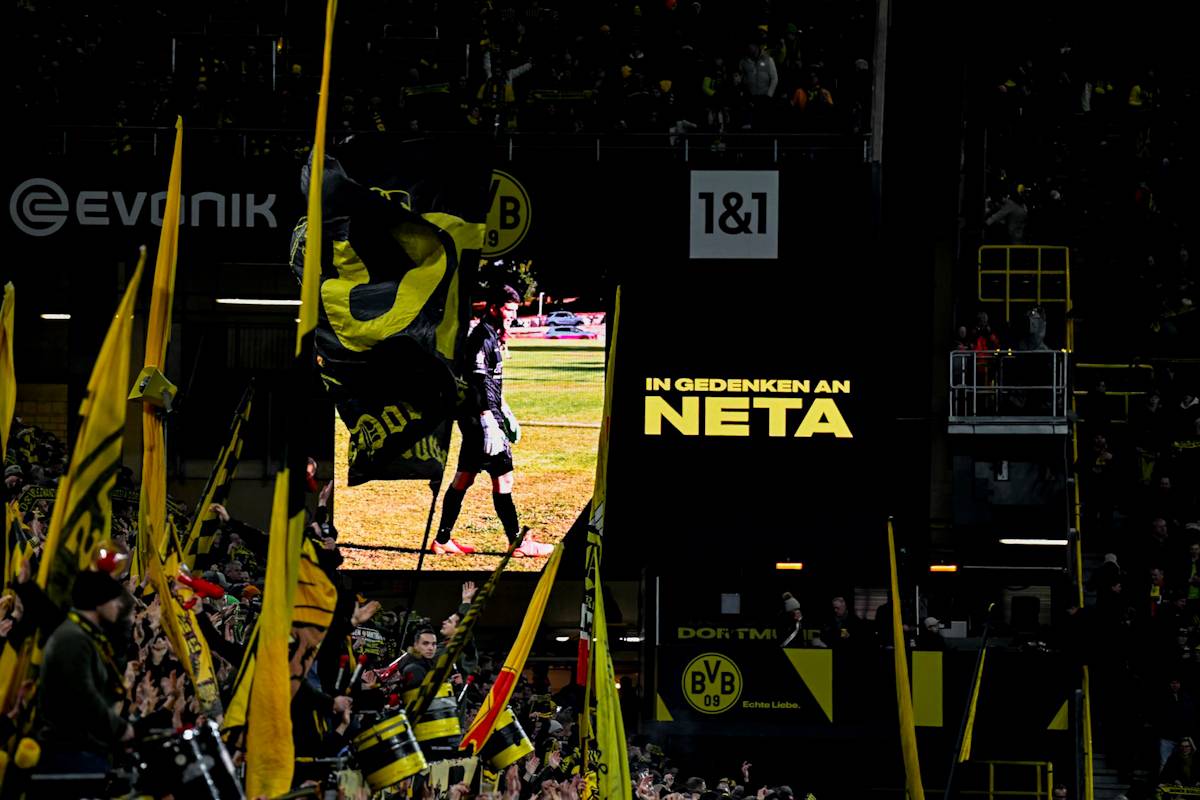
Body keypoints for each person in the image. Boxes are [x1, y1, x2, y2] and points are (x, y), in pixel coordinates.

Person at [433, 285, 551, 557]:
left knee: (463, 479)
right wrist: (488, 419)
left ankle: (442, 539)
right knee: (503, 480)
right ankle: (518, 543)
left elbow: (490, 382)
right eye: (509, 309)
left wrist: (504, 408)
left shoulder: (491, 335)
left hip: (481, 417)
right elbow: (475, 382)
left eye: (515, 310)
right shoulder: (480, 338)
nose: (512, 315)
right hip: (482, 421)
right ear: (494, 308)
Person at [35, 570, 135, 778]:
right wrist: (120, 729)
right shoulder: (73, 638)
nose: (118, 605)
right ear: (99, 603)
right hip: (69, 755)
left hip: (80, 752)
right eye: (113, 599)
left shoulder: (84, 635)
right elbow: (83, 697)